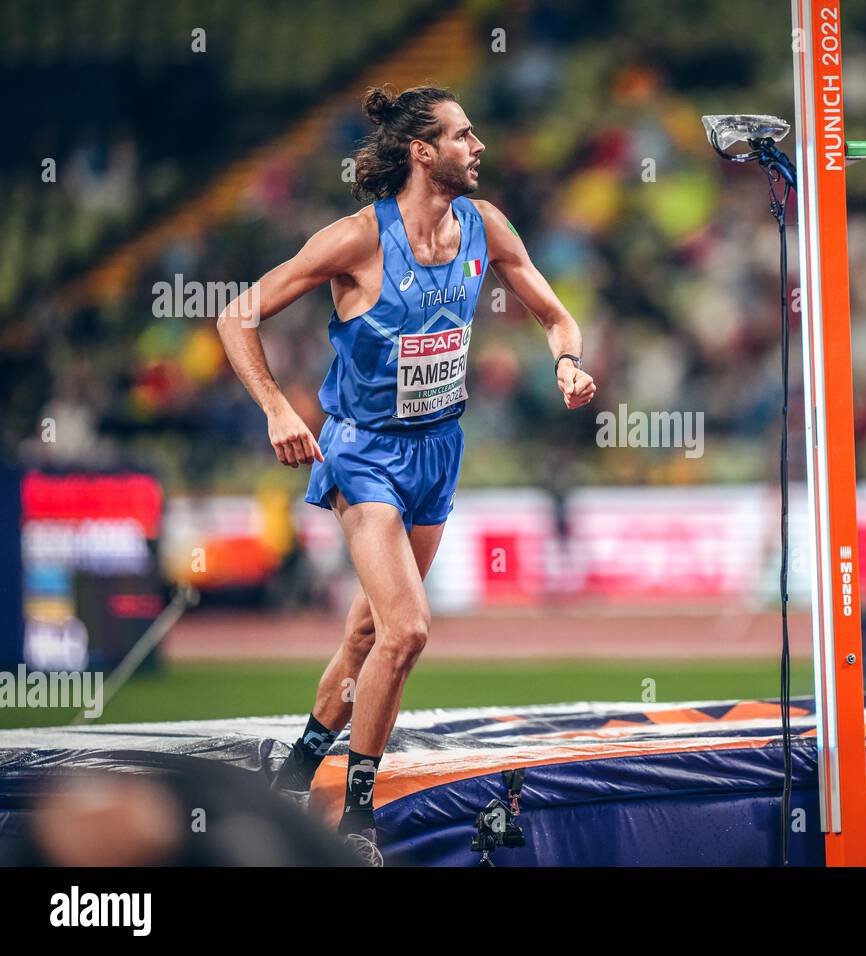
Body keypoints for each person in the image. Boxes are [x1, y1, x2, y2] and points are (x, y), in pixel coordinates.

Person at [216, 84, 596, 864]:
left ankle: (295, 768)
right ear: (423, 153)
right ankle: (358, 819)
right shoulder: (356, 240)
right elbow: (236, 314)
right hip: (363, 452)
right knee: (407, 629)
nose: (479, 146)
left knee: (366, 633)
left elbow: (557, 314)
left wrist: (567, 363)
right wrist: (278, 411)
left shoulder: (486, 227)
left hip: (437, 452)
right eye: (463, 135)